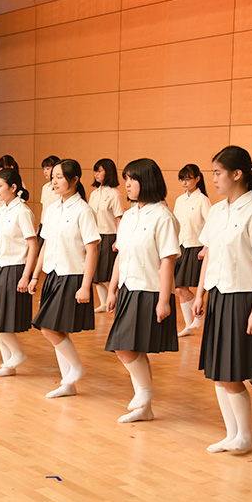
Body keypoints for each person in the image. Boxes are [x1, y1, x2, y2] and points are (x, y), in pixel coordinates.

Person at [193, 146, 252, 454]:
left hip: (243, 299)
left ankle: (245, 436)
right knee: (218, 371)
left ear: (237, 174)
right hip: (219, 297)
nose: (213, 179)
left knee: (233, 373)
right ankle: (232, 434)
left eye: (217, 173)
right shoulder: (216, 210)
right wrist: (200, 292)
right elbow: (208, 254)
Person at [104, 159, 180, 423]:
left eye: (132, 179)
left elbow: (167, 261)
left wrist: (164, 300)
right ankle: (144, 408)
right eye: (126, 178)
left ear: (147, 181)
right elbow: (120, 255)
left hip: (149, 290)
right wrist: (112, 290)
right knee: (134, 348)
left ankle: (145, 391)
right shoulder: (129, 216)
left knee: (124, 347)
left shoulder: (163, 216)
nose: (127, 184)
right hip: (127, 288)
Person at [29, 159, 99, 398]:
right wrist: (35, 276)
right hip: (53, 274)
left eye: (60, 176)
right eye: (53, 176)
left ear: (75, 180)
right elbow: (45, 244)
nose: (54, 180)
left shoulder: (83, 210)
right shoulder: (51, 209)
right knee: (58, 330)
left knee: (48, 327)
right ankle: (68, 383)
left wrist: (85, 286)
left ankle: (76, 368)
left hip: (73, 276)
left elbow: (92, 250)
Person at [0, 169, 38, 377]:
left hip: (15, 268)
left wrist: (26, 275)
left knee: (1, 318)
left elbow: (33, 246)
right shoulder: (2, 210)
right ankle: (8, 365)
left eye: (0, 186)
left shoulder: (22, 212)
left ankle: (17, 354)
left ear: (13, 188)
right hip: (0, 267)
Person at [173, 164, 211, 336]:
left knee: (181, 287)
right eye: (182, 179)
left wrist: (205, 247)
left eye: (188, 178)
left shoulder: (203, 200)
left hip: (195, 247)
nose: (185, 182)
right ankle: (189, 325)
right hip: (180, 246)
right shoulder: (180, 200)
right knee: (179, 287)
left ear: (197, 179)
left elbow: (211, 225)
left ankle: (199, 315)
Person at [89, 158, 124, 312]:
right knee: (96, 275)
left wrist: (118, 240)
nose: (96, 174)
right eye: (95, 171)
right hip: (95, 236)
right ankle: (104, 303)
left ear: (107, 172)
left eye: (100, 171)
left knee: (106, 274)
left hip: (109, 236)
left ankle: (116, 299)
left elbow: (119, 218)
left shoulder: (115, 194)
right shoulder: (94, 193)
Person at [37, 155, 61, 248]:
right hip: (44, 224)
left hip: (55, 225)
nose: (45, 172)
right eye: (44, 169)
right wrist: (39, 226)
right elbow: (44, 209)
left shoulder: (61, 188)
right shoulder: (45, 187)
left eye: (48, 168)